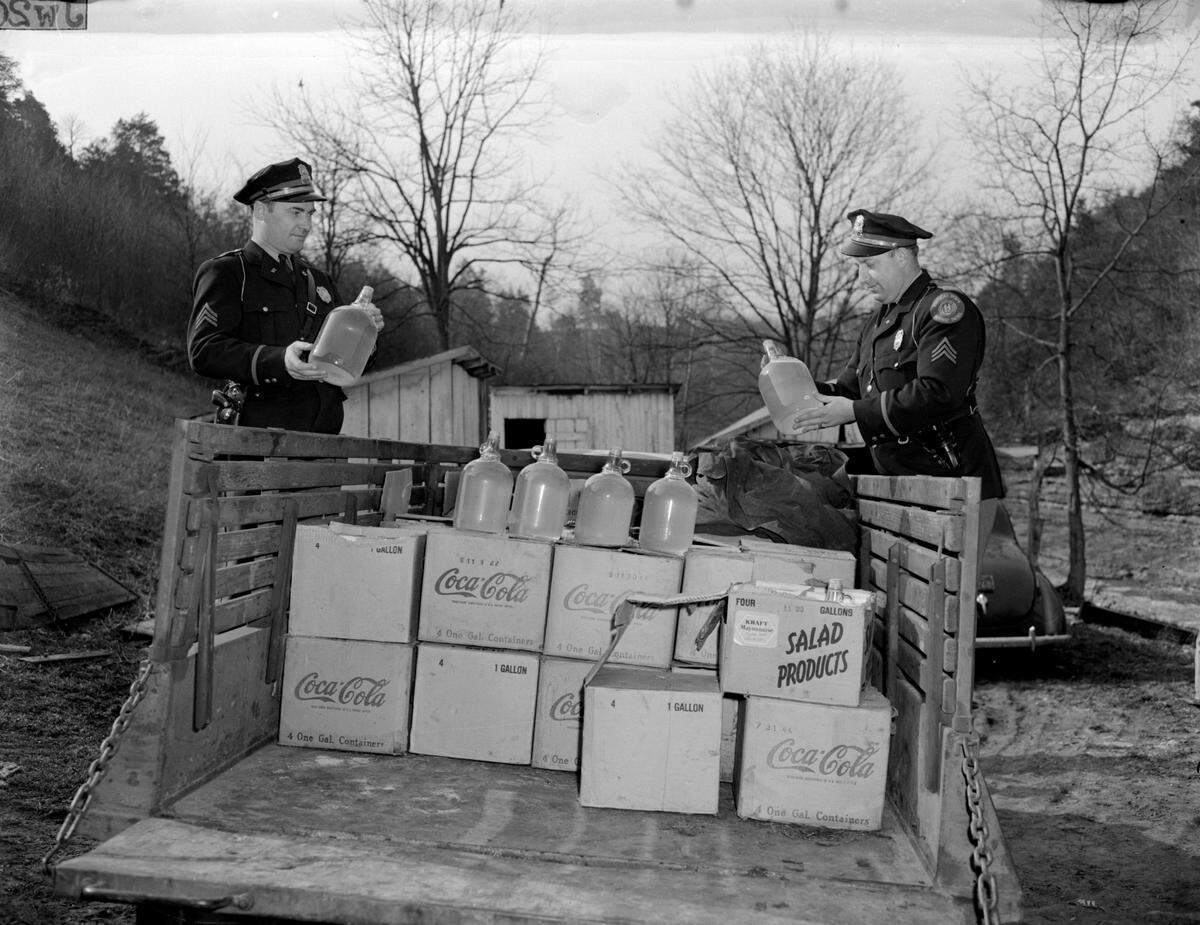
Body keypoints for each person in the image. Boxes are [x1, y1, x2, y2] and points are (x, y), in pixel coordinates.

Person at [793, 208, 1005, 502]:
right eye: (858, 267)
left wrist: (854, 411)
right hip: (905, 486)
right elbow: (846, 391)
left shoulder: (943, 310)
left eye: (869, 265)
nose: (861, 279)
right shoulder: (876, 323)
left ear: (901, 256)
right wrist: (791, 380)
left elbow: (938, 393)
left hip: (957, 486)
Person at [186, 157, 384, 434]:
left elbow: (342, 363)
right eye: (296, 212)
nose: (306, 224)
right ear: (260, 211)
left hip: (323, 445)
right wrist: (279, 361)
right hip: (258, 444)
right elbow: (204, 350)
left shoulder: (320, 283)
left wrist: (363, 334)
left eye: (310, 214)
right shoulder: (229, 273)